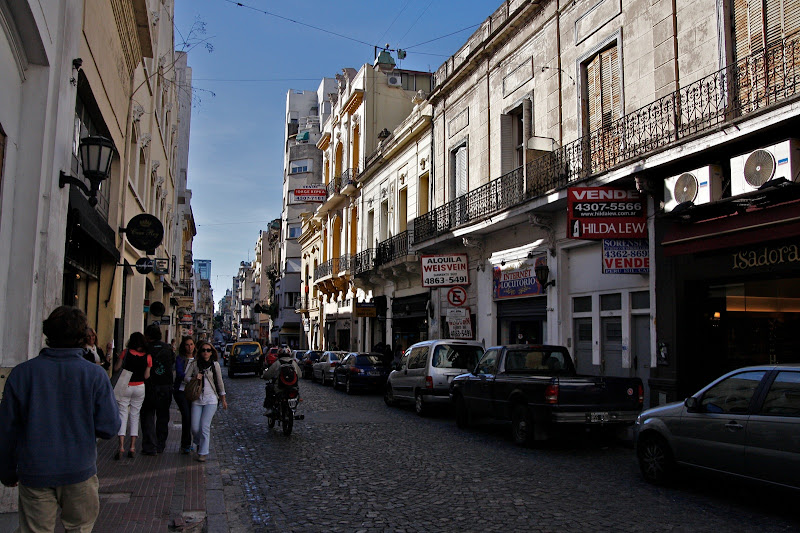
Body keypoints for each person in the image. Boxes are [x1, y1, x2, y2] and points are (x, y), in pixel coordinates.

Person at [0, 306, 119, 532]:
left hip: (35, 470)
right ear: (83, 337)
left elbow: (7, 429)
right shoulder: (95, 375)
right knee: (80, 527)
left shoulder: (22, 374)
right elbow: (109, 427)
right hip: (79, 470)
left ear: (48, 334)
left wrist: (6, 470)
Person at [184, 342, 227, 462]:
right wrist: (193, 377)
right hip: (197, 398)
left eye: (208, 350)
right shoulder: (194, 364)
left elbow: (219, 382)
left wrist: (223, 399)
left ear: (212, 352)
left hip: (211, 399)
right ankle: (198, 442)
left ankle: (203, 452)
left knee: (204, 426)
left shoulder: (215, 365)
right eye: (203, 350)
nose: (206, 352)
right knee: (195, 428)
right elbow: (185, 377)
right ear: (200, 352)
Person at [114, 331, 151, 459]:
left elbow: (116, 368)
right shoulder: (148, 357)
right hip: (139, 387)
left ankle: (121, 446)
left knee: (122, 414)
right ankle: (133, 447)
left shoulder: (125, 352)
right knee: (135, 416)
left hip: (126, 385)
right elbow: (147, 376)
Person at [140, 324, 175, 455]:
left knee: (148, 416)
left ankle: (150, 445)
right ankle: (161, 444)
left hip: (149, 386)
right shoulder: (167, 348)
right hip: (165, 386)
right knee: (163, 416)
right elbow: (172, 363)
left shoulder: (145, 349)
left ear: (147, 336)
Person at [173, 336, 196, 454]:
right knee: (186, 416)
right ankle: (185, 444)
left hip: (193, 392)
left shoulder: (197, 359)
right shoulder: (180, 359)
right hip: (181, 391)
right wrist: (189, 379)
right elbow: (179, 373)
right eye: (187, 344)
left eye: (191, 344)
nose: (190, 347)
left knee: (192, 418)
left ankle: (190, 442)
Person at [262, 347, 301, 415]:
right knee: (297, 395)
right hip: (292, 387)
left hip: (279, 388)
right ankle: (294, 409)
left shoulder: (277, 363)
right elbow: (300, 375)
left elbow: (267, 375)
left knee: (269, 388)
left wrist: (264, 376)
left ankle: (270, 408)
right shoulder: (293, 363)